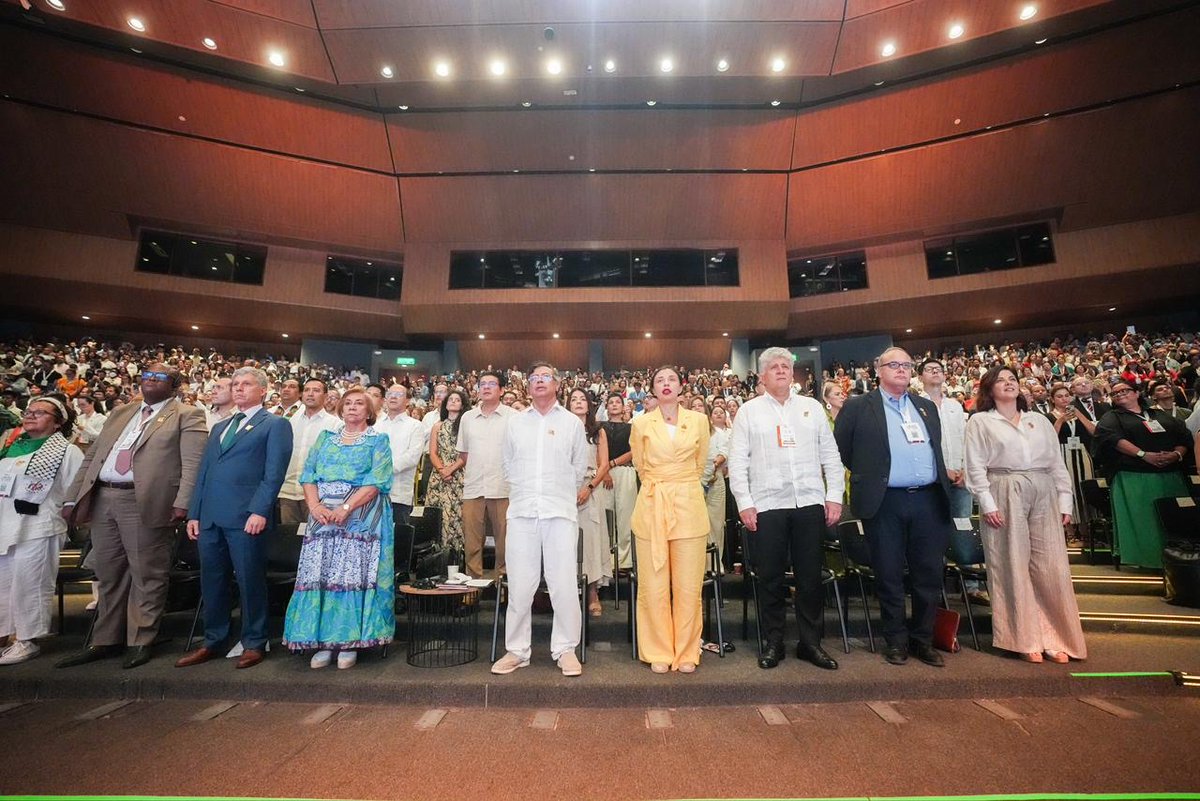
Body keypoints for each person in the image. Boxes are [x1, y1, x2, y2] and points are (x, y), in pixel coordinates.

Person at [55, 365, 206, 670]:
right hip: (104, 497)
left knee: (147, 574)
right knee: (109, 573)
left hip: (146, 500)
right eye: (147, 375)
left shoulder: (186, 414)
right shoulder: (122, 412)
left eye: (160, 377)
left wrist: (183, 503)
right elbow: (93, 456)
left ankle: (141, 639)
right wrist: (73, 495)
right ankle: (106, 639)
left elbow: (192, 464)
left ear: (174, 385)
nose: (150, 379)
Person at [834, 347, 955, 668]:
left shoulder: (926, 406)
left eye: (906, 365)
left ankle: (923, 640)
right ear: (878, 370)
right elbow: (843, 451)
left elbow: (935, 448)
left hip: (928, 499)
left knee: (928, 574)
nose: (901, 370)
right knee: (889, 574)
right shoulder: (858, 407)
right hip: (885, 500)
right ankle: (896, 641)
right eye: (894, 365)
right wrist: (874, 476)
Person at [729, 348, 844, 671]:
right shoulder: (749, 412)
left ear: (792, 374)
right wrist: (745, 503)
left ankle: (811, 643)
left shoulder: (812, 408)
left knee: (809, 578)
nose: (781, 370)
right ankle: (773, 642)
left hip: (809, 502)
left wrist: (834, 495)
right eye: (773, 367)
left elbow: (830, 456)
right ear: (762, 376)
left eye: (785, 366)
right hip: (766, 505)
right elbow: (738, 462)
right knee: (770, 578)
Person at [964, 366, 1086, 664]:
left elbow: (1057, 463)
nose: (1008, 384)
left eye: (1012, 380)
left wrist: (1065, 500)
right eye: (1001, 380)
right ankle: (1022, 637)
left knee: (1051, 567)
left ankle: (1056, 637)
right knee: (1012, 565)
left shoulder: (1038, 420)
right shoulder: (981, 421)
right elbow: (976, 466)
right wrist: (987, 503)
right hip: (1004, 487)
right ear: (989, 389)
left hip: (1043, 487)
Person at [177, 367, 293, 670]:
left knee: (249, 579)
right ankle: (214, 639)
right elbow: (204, 473)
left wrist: (260, 510)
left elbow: (273, 473)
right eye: (236, 384)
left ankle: (255, 640)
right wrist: (195, 513)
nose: (239, 389)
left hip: (246, 517)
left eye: (246, 384)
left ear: (263, 391)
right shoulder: (220, 427)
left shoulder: (275, 424)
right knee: (212, 580)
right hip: (211, 516)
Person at [282, 388, 394, 670]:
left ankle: (347, 642)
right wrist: (315, 506)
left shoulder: (378, 440)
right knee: (320, 574)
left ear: (369, 412)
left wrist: (346, 508)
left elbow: (377, 480)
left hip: (360, 518)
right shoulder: (326, 438)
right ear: (340, 409)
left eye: (359, 404)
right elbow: (309, 475)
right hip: (322, 517)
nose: (352, 408)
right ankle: (322, 641)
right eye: (348, 404)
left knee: (349, 576)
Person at [491, 362, 587, 678]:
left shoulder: (572, 423)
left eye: (546, 377)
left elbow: (578, 469)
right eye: (534, 378)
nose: (539, 382)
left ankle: (566, 649)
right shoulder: (516, 423)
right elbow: (507, 465)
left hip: (559, 512)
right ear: (528, 386)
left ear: (557, 384)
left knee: (563, 585)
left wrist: (557, 492)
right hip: (521, 512)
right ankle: (517, 651)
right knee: (520, 585)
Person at [629, 366, 710, 674]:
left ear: (681, 387)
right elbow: (640, 464)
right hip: (653, 504)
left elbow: (700, 463)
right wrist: (663, 482)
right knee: (654, 585)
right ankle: (658, 650)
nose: (666, 384)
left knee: (689, 585)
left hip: (689, 503)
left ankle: (688, 650)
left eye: (671, 379)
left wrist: (679, 481)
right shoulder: (641, 423)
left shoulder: (699, 421)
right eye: (659, 380)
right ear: (652, 388)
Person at [0, 396, 83, 665]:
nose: (31, 415)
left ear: (58, 422)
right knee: (3, 585)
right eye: (29, 411)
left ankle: (27, 640)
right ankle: (3, 637)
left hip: (40, 525)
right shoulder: (9, 446)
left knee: (30, 583)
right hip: (4, 523)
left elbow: (76, 492)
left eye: (41, 412)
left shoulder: (67, 451)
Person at [1093, 381, 1192, 569]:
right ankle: (1147, 559)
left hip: (1170, 474)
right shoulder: (1112, 417)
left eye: (1125, 390)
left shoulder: (1158, 414)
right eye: (1115, 393)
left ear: (1137, 393)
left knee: (1174, 520)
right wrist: (1143, 455)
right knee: (1145, 520)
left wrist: (1176, 454)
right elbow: (1112, 439)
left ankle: (1181, 561)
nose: (1120, 394)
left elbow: (1183, 437)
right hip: (1134, 476)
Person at [457, 370, 516, 578]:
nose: (487, 387)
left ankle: (504, 586)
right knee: (472, 542)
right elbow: (464, 453)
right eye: (482, 384)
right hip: (473, 487)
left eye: (492, 384)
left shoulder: (514, 417)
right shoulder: (467, 417)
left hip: (503, 487)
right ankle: (473, 588)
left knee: (505, 542)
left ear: (501, 389)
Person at [567, 387, 612, 617]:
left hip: (590, 486)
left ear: (589, 404)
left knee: (591, 540)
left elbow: (603, 464)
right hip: (565, 490)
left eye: (582, 399)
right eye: (573, 399)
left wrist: (589, 487)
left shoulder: (597, 431)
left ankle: (592, 592)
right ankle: (569, 594)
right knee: (567, 542)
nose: (578, 402)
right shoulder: (561, 429)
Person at [277, 378, 339, 525]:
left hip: (318, 495)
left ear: (325, 396)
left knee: (315, 540)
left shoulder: (335, 424)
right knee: (289, 539)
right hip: (288, 491)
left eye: (316, 391)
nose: (310, 394)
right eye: (307, 390)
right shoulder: (290, 421)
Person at [374, 384, 428, 526]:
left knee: (397, 540)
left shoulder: (415, 426)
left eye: (398, 394)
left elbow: (412, 457)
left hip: (399, 494)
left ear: (407, 401)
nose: (393, 397)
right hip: (373, 492)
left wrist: (384, 469)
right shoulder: (376, 426)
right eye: (390, 393)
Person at [426, 389, 470, 559]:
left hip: (460, 475)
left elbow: (467, 453)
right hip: (439, 476)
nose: (453, 402)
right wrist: (442, 470)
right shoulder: (437, 426)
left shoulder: (466, 426)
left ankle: (457, 558)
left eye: (457, 399)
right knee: (439, 516)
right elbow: (433, 452)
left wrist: (451, 469)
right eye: (450, 399)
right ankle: (437, 558)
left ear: (463, 404)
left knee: (457, 517)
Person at [1046, 382, 1092, 545]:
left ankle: (1085, 529)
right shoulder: (1049, 416)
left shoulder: (1078, 412)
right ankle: (1070, 531)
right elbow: (1049, 438)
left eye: (1066, 395)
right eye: (1059, 396)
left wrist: (1079, 415)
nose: (1064, 399)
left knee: (1083, 490)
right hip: (1062, 453)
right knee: (1067, 490)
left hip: (1081, 452)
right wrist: (1060, 421)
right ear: (1052, 399)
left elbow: (1093, 431)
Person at [601, 392, 636, 571]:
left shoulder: (631, 428)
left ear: (623, 407)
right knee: (606, 515)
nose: (614, 405)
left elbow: (634, 451)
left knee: (625, 515)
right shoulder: (600, 427)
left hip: (625, 472)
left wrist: (613, 463)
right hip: (603, 474)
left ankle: (624, 561)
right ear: (606, 407)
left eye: (618, 402)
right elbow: (597, 450)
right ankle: (606, 560)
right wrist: (604, 470)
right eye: (611, 402)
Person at [701, 401, 732, 566]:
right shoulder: (687, 434)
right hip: (693, 481)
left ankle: (714, 564)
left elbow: (724, 452)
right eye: (694, 406)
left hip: (716, 479)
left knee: (716, 523)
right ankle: (699, 565)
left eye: (701, 406)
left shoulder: (718, 433)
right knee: (697, 524)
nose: (698, 409)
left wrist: (712, 466)